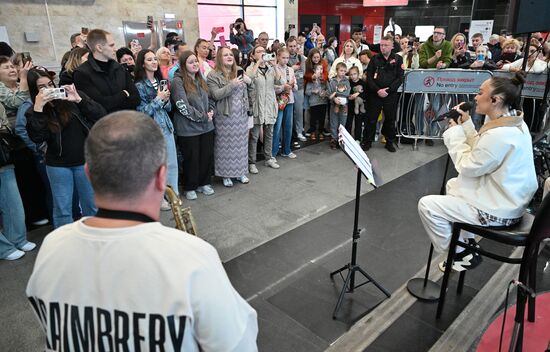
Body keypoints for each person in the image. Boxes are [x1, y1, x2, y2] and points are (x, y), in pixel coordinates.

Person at [26, 111, 259, 350]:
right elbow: (239, 345)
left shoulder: (52, 248)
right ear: (161, 177)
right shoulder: (194, 259)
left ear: (88, 173)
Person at [418, 72, 538, 272]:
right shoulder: (513, 122)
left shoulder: (500, 134)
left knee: (428, 206)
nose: (475, 97)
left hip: (501, 211)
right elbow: (482, 151)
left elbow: (467, 166)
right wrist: (465, 124)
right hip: (509, 199)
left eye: (481, 92)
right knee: (453, 185)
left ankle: (458, 253)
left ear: (495, 100)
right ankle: (467, 244)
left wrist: (454, 132)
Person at [26, 68, 105, 228]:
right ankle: (64, 245)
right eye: (42, 87)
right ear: (35, 91)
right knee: (63, 210)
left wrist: (79, 100)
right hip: (58, 165)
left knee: (91, 205)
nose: (48, 89)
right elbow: (36, 137)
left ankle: (96, 238)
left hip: (84, 160)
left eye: (50, 84)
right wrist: (39, 108)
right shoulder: (34, 111)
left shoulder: (71, 99)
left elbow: (100, 115)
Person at [134, 49, 179, 207]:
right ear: (142, 63)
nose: (154, 62)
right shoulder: (139, 85)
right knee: (157, 166)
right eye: (149, 59)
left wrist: (165, 100)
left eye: (155, 59)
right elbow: (141, 111)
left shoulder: (161, 80)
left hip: (166, 125)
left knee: (172, 163)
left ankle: (173, 194)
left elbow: (168, 108)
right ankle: (159, 198)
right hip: (151, 130)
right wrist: (159, 100)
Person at [171, 50, 216, 199]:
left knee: (206, 157)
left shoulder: (200, 78)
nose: (195, 64)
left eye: (196, 61)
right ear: (183, 65)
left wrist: (210, 112)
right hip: (188, 129)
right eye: (191, 62)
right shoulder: (178, 81)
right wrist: (203, 116)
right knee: (192, 159)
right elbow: (182, 105)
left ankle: (204, 183)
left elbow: (210, 98)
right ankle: (190, 186)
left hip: (206, 126)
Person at [207, 47, 252, 187]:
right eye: (225, 55)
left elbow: (249, 89)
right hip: (224, 116)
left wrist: (249, 81)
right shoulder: (213, 75)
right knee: (224, 146)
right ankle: (226, 175)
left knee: (241, 145)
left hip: (241, 114)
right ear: (219, 58)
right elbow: (215, 95)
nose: (229, 57)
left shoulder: (238, 70)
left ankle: (240, 172)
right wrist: (231, 84)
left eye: (231, 54)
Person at [73, 29, 140, 114]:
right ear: (99, 48)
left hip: (129, 119)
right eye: (111, 45)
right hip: (106, 124)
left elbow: (136, 99)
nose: (115, 49)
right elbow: (100, 106)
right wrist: (124, 94)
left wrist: (113, 101)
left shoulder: (119, 68)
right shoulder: (82, 73)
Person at [0, 102, 35, 261]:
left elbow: (6, 126)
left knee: (14, 204)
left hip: (3, 157)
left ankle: (18, 239)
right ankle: (3, 248)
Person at [364, 35, 404, 152]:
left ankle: (389, 141)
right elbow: (369, 78)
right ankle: (367, 141)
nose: (383, 47)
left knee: (390, 119)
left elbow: (400, 77)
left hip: (390, 95)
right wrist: (377, 90)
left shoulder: (398, 59)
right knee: (371, 119)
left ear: (392, 46)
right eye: (381, 45)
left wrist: (388, 90)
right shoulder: (374, 59)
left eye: (386, 45)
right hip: (375, 94)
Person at [246, 45, 280, 173]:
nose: (261, 53)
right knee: (254, 136)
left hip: (269, 105)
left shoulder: (271, 69)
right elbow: (249, 79)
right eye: (258, 52)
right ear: (253, 56)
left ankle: (268, 158)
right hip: (257, 105)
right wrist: (258, 63)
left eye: (263, 51)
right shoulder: (250, 68)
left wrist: (275, 65)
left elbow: (280, 81)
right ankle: (252, 162)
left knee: (269, 133)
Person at [273, 47, 298, 159]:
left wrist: (292, 86)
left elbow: (296, 87)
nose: (285, 60)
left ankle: (286, 150)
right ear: (278, 57)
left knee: (288, 126)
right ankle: (273, 153)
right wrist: (283, 87)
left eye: (287, 58)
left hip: (289, 100)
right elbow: (272, 87)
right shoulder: (273, 69)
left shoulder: (290, 70)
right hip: (278, 100)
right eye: (283, 58)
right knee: (277, 127)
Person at [304, 48, 329, 140]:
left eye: (318, 57)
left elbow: (328, 88)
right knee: (313, 117)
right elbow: (307, 91)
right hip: (314, 101)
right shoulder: (311, 78)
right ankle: (313, 131)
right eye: (314, 57)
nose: (316, 59)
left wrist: (326, 93)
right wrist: (312, 91)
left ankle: (321, 131)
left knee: (322, 117)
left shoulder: (324, 79)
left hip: (323, 101)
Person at [286, 37, 307, 142]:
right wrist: (292, 70)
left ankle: (299, 131)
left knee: (299, 111)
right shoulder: (284, 57)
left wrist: (291, 71)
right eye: (290, 46)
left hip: (299, 88)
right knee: (288, 113)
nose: (292, 48)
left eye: (294, 46)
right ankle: (289, 134)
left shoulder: (301, 58)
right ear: (287, 47)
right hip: (287, 89)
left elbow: (302, 73)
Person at [327, 62, 351, 150]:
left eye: (345, 71)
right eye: (341, 71)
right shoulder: (332, 81)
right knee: (334, 122)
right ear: (337, 71)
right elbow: (329, 93)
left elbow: (347, 92)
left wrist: (339, 96)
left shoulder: (346, 81)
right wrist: (334, 99)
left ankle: (341, 140)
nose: (343, 73)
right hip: (334, 105)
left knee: (342, 122)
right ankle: (334, 139)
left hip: (344, 105)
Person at [346, 66, 368, 142]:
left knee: (358, 123)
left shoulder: (363, 83)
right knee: (348, 122)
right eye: (351, 74)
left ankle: (357, 139)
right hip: (350, 105)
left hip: (359, 107)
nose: (353, 76)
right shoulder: (348, 82)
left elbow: (365, 94)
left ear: (358, 74)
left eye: (354, 74)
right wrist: (349, 96)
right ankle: (347, 138)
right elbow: (346, 92)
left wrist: (358, 94)